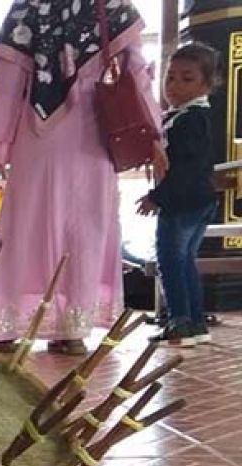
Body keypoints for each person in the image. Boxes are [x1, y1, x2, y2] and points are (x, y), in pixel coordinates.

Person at [0, 0, 163, 356]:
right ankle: (71, 330)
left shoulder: (28, 9)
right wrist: (154, 137)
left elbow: (10, 84)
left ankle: (6, 326)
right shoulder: (113, 7)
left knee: (24, 228)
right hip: (92, 135)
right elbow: (137, 75)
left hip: (38, 134)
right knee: (84, 230)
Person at [137, 42, 220, 348]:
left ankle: (180, 323)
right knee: (185, 261)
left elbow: (183, 170)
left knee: (170, 261)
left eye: (187, 79)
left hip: (182, 205)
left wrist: (156, 197)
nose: (175, 86)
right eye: (170, 77)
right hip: (199, 201)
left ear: (206, 85)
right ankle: (195, 322)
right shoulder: (185, 116)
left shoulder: (188, 121)